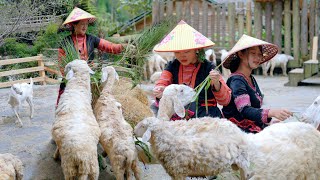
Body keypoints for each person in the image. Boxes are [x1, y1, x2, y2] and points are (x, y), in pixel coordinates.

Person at [152, 20, 231, 120]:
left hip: (205, 114)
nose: (182, 55)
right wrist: (160, 90)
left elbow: (225, 100)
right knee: (154, 110)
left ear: (196, 49)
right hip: (179, 112)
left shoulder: (208, 68)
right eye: (177, 52)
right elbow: (163, 82)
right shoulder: (172, 66)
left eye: (187, 51)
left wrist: (216, 83)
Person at [56, 7, 128, 107]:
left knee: (93, 106)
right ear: (74, 25)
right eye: (82, 24)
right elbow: (62, 63)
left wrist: (124, 47)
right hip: (72, 80)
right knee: (65, 107)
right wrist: (71, 77)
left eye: (86, 24)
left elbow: (109, 46)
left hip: (89, 78)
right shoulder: (65, 42)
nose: (85, 27)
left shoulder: (91, 39)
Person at [222, 34, 293, 133]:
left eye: (260, 54)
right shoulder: (237, 80)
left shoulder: (250, 78)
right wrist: (271, 112)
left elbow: (254, 110)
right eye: (253, 53)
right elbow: (245, 110)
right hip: (237, 130)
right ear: (241, 54)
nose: (258, 58)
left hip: (251, 125)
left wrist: (269, 121)